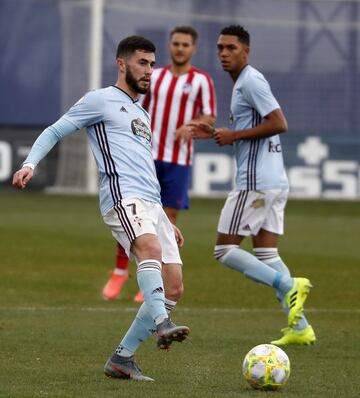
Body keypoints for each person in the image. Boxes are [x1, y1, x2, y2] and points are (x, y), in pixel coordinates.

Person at [13, 35, 190, 381]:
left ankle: (121, 359)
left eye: (153, 64)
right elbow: (55, 130)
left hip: (150, 203)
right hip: (122, 196)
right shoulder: (100, 100)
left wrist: (165, 220)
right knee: (148, 250)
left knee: (174, 285)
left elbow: (142, 163)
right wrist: (30, 163)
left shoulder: (141, 112)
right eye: (143, 62)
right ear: (122, 64)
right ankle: (161, 322)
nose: (150, 70)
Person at [190, 25, 316, 346]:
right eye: (220, 48)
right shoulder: (243, 84)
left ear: (245, 51)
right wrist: (222, 132)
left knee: (224, 250)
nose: (224, 53)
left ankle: (288, 286)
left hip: (255, 184)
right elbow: (255, 128)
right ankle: (300, 326)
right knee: (266, 252)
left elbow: (278, 123)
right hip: (273, 182)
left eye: (231, 48)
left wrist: (233, 136)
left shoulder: (250, 80)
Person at [102, 26, 216, 302]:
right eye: (176, 43)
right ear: (170, 45)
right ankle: (119, 271)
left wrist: (191, 125)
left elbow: (209, 117)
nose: (180, 48)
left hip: (179, 159)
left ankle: (149, 279)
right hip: (147, 156)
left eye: (185, 44)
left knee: (167, 221)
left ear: (193, 49)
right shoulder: (156, 76)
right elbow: (137, 106)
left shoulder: (202, 80)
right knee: (132, 215)